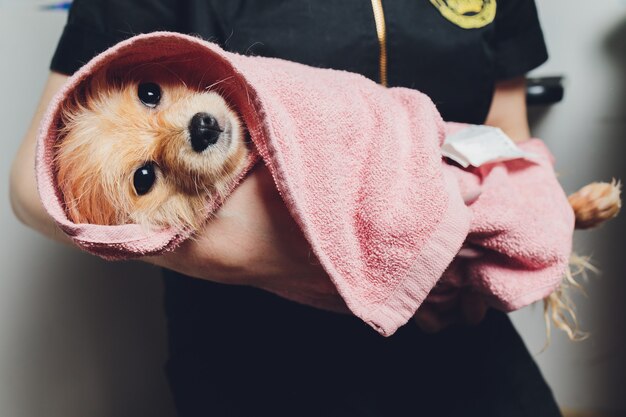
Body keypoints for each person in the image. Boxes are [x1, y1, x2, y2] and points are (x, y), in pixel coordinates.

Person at [10, 1, 563, 415]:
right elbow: (34, 191)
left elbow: (505, 136)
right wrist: (293, 258)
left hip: (453, 326)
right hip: (253, 353)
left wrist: (500, 244)